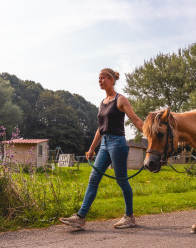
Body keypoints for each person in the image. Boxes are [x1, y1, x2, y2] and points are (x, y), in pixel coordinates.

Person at [59, 68, 144, 230]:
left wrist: (151, 135)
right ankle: (80, 217)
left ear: (111, 80)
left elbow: (136, 120)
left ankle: (130, 216)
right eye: (98, 78)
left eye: (102, 78)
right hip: (104, 144)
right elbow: (100, 129)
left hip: (118, 143)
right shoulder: (103, 102)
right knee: (93, 180)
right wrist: (91, 149)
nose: (100, 81)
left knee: (122, 181)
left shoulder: (121, 100)